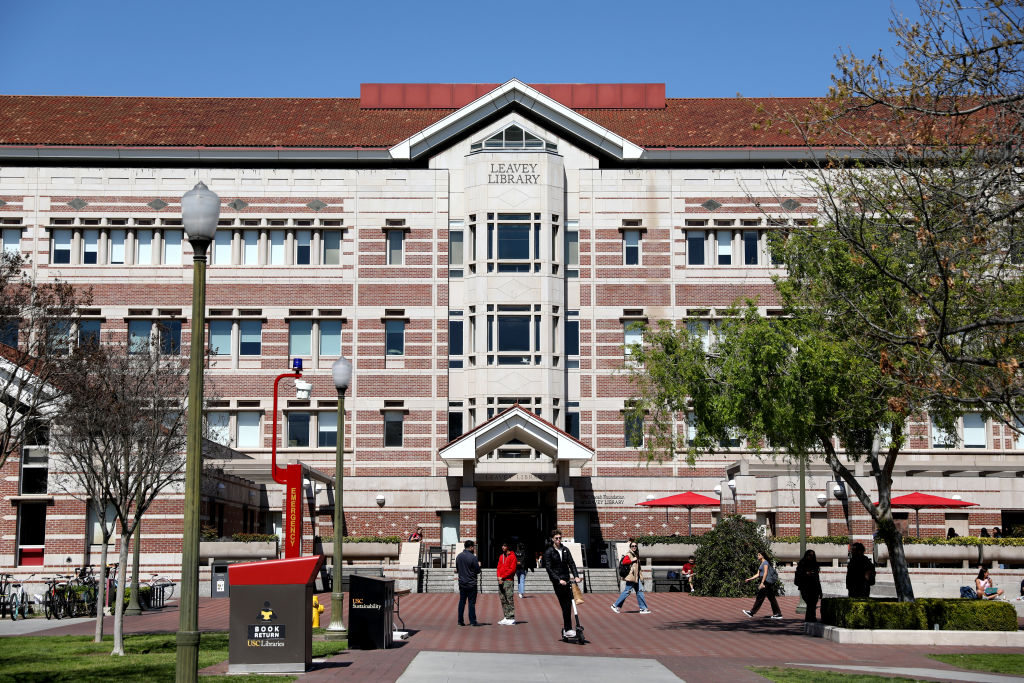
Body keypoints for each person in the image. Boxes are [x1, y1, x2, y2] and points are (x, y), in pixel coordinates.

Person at [543, 528, 582, 639]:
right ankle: (568, 629)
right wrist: (558, 580)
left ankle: (567, 629)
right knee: (565, 605)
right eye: (556, 538)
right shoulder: (549, 551)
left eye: (560, 538)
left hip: (567, 580)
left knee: (569, 604)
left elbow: (571, 563)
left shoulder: (565, 549)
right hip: (558, 582)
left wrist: (576, 576)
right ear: (552, 539)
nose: (559, 540)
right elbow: (549, 568)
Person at [612, 540, 651, 614]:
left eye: (635, 546)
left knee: (640, 591)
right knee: (627, 591)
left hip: (636, 577)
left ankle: (643, 608)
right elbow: (624, 562)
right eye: (632, 546)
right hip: (631, 577)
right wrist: (633, 560)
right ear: (630, 547)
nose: (634, 547)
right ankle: (615, 605)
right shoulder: (629, 554)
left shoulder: (636, 554)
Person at [742, 550, 782, 619]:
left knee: (760, 598)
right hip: (765, 582)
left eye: (759, 555)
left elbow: (765, 573)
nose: (758, 556)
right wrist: (750, 579)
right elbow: (758, 574)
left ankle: (752, 612)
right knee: (772, 598)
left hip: (765, 582)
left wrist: (762, 582)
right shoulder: (761, 563)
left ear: (762, 556)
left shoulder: (765, 563)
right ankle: (778, 614)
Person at [455, 539, 481, 626]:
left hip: (462, 582)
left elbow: (458, 569)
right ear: (470, 547)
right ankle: (472, 621)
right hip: (471, 583)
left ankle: (460, 621)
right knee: (471, 603)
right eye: (473, 547)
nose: (474, 548)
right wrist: (479, 565)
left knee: (462, 602)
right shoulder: (473, 557)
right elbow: (477, 571)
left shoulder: (459, 556)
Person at [794, 549, 822, 622]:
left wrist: (820, 591)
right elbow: (798, 574)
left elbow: (817, 579)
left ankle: (811, 619)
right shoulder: (802, 564)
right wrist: (806, 573)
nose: (811, 557)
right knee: (810, 604)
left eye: (812, 555)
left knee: (812, 605)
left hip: (814, 587)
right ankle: (810, 619)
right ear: (806, 555)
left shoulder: (815, 565)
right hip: (805, 587)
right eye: (809, 555)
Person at [496, 540, 517, 625]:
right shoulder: (501, 556)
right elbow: (498, 567)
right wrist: (499, 577)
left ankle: (511, 617)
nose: (503, 547)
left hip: (508, 580)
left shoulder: (512, 556)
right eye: (502, 546)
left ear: (508, 547)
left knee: (509, 598)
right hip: (501, 580)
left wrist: (503, 576)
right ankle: (506, 616)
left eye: (504, 546)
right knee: (503, 598)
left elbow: (512, 570)